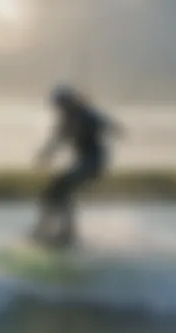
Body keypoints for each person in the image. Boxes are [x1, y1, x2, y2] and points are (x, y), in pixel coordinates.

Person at [31, 85, 123, 247]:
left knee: (62, 189)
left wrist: (113, 128)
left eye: (62, 104)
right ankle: (44, 229)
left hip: (93, 163)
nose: (60, 108)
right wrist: (45, 154)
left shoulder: (87, 115)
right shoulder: (66, 120)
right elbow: (56, 140)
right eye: (58, 105)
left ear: (69, 102)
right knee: (50, 192)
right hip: (83, 163)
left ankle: (67, 233)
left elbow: (109, 125)